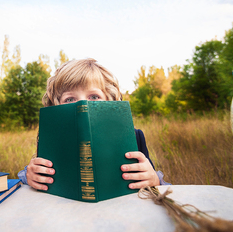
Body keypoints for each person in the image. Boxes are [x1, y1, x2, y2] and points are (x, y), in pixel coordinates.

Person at [18, 58, 169, 191]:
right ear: (57, 106)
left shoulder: (135, 137)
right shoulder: (50, 140)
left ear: (109, 100)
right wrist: (30, 176)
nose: (83, 104)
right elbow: (35, 180)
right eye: (70, 99)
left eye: (94, 96)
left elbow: (154, 188)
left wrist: (155, 181)